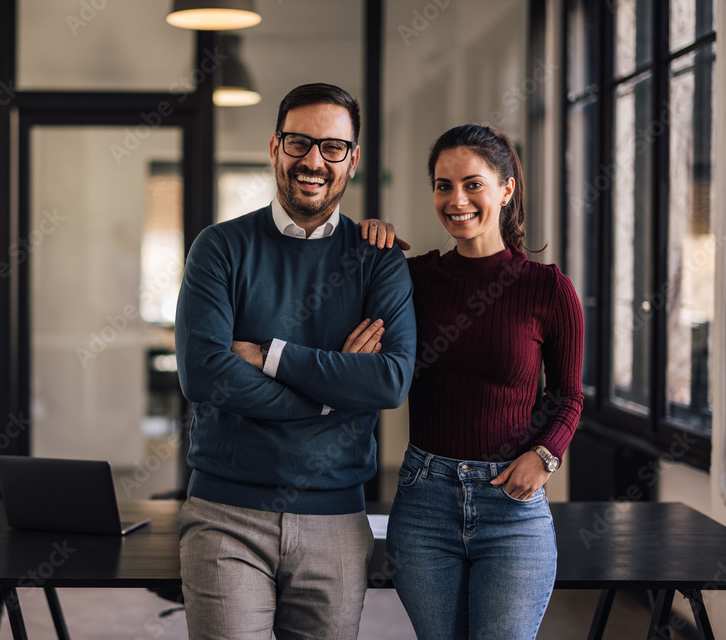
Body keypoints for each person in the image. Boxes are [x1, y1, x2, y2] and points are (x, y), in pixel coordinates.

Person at [174, 82, 417, 639]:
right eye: (298, 142)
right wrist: (335, 392)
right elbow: (206, 374)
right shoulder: (219, 247)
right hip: (224, 514)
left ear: (352, 160)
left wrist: (269, 355)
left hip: (336, 519)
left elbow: (388, 380)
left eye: (333, 147)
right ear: (274, 147)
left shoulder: (378, 259)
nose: (313, 160)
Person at [357, 124, 584, 639]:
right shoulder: (412, 280)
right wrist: (363, 239)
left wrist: (546, 454)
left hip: (513, 508)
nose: (456, 199)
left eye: (472, 183)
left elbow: (567, 396)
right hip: (424, 502)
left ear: (505, 190)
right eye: (443, 185)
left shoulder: (548, 290)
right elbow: (336, 305)